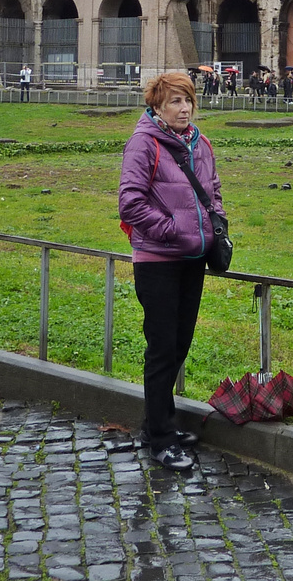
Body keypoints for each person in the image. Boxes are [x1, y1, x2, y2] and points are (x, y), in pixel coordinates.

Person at [117, 72, 223, 472]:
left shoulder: (200, 142)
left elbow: (213, 193)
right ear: (157, 106)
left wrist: (216, 230)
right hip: (158, 260)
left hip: (192, 259)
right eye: (175, 101)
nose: (184, 108)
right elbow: (130, 203)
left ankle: (156, 422)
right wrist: (173, 232)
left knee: (180, 344)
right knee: (161, 348)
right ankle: (160, 438)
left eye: (188, 101)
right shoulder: (144, 143)